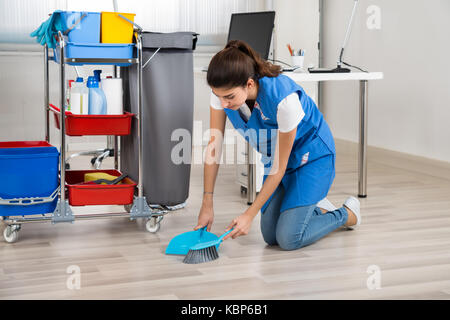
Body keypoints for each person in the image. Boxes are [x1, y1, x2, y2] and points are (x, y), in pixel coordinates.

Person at [194, 40, 361, 251]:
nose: (223, 104)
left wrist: (249, 214)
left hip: (312, 158)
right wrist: (207, 202)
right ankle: (311, 208)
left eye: (229, 97)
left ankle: (345, 214)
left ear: (249, 84)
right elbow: (214, 146)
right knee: (270, 235)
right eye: (219, 97)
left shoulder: (284, 100)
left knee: (288, 238)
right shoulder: (222, 93)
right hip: (279, 161)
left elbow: (278, 169)